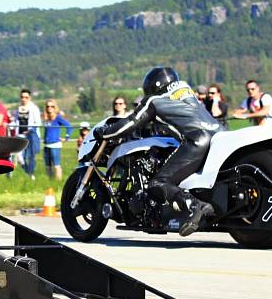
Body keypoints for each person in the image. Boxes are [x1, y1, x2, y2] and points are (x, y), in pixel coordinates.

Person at [94, 67, 220, 237]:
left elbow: (131, 122)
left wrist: (105, 132)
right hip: (218, 137)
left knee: (158, 183)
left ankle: (194, 206)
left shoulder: (155, 100)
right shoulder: (187, 94)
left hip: (196, 139)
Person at [12, 89, 41, 179]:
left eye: (26, 97)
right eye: (22, 97)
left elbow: (38, 123)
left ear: (30, 98)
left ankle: (31, 174)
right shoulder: (18, 109)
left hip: (31, 135)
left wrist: (30, 129)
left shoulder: (34, 108)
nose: (24, 99)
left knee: (31, 156)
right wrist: (9, 126)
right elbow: (15, 121)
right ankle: (29, 173)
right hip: (20, 135)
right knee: (21, 158)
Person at [42, 99, 72, 180]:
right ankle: (50, 182)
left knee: (56, 165)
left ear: (55, 107)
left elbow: (69, 126)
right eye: (48, 106)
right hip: (46, 145)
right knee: (47, 166)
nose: (50, 108)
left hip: (55, 145)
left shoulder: (58, 118)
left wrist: (66, 137)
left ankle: (58, 182)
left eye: (52, 106)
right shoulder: (46, 118)